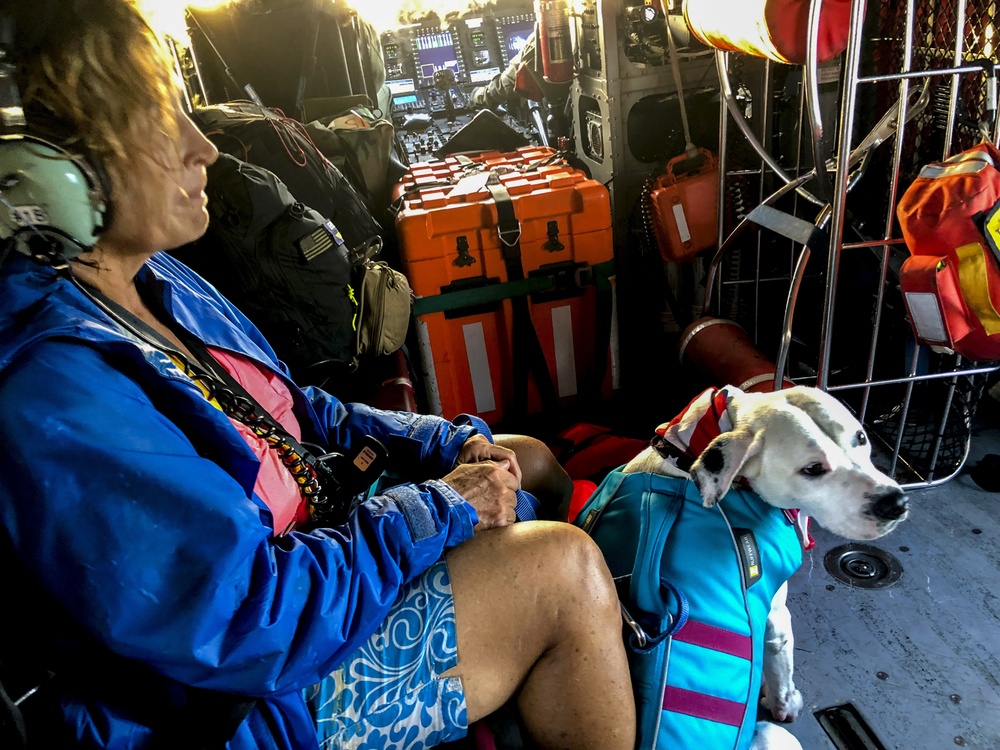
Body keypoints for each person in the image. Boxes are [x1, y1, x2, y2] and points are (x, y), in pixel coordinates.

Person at [0, 2, 636, 749]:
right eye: (162, 118)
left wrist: (443, 445)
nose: (203, 146)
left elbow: (294, 411)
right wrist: (437, 510)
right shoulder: (54, 390)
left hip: (316, 563)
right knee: (564, 574)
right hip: (252, 700)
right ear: (53, 169)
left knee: (521, 454)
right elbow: (250, 620)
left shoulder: (153, 280)